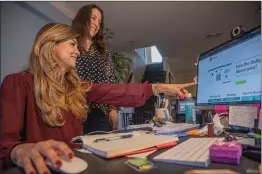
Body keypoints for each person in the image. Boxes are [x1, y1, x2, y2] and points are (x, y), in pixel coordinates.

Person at [0, 23, 196, 174]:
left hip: (78, 166)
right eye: (71, 45)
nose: (77, 51)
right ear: (50, 45)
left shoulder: (77, 87)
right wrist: (19, 151)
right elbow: (5, 144)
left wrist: (159, 88)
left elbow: (116, 91)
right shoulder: (18, 82)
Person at [72, 4, 119, 133]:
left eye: (99, 21)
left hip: (101, 112)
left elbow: (111, 82)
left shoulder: (104, 53)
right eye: (93, 18)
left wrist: (113, 109)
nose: (96, 24)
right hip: (75, 110)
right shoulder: (70, 46)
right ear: (83, 19)